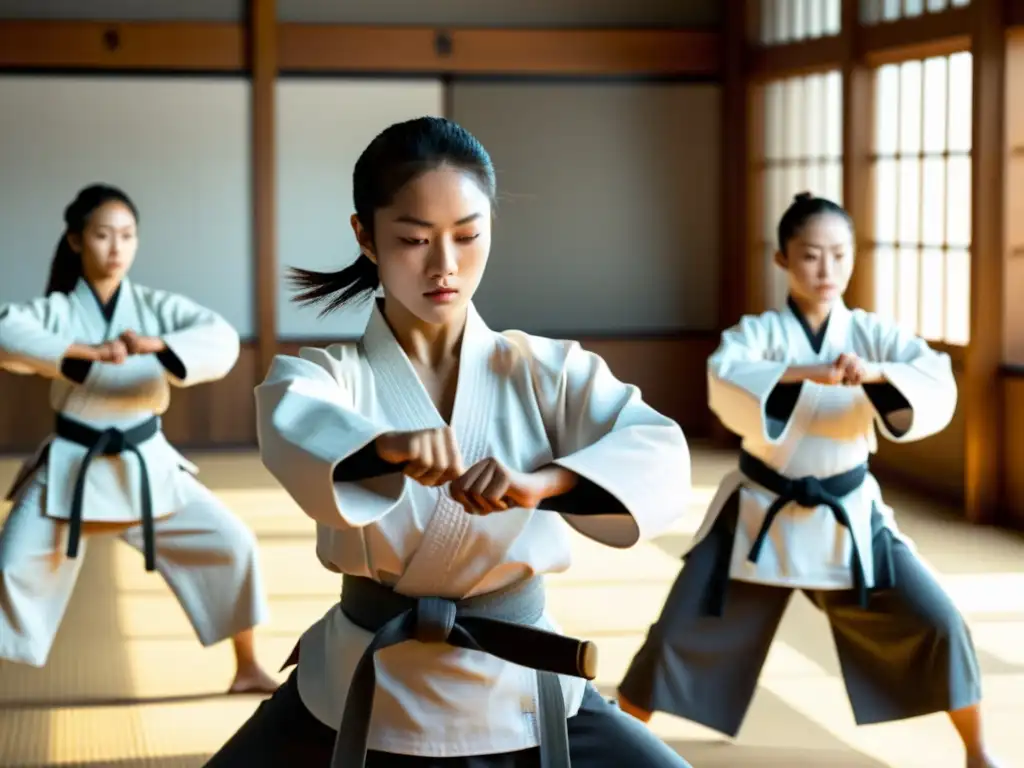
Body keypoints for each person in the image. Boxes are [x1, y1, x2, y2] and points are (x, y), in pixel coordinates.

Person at [203, 116, 694, 768]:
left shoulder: (548, 369)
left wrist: (545, 483)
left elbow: (657, 449)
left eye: (468, 236)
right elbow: (296, 427)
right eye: (413, 239)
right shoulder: (323, 377)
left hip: (518, 678)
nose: (445, 265)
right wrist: (384, 449)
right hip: (360, 678)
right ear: (366, 236)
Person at [616, 192, 1001, 768]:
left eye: (839, 255)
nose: (826, 270)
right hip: (758, 515)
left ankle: (978, 751)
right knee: (672, 638)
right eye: (811, 256)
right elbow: (726, 376)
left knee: (938, 622)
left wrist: (873, 374)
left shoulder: (871, 334)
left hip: (849, 517)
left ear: (854, 258)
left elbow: (932, 377)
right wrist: (806, 373)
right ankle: (613, 750)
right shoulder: (760, 333)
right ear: (782, 260)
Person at [0, 183, 278, 695]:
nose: (116, 247)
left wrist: (159, 344)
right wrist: (81, 350)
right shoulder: (58, 311)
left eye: (127, 236)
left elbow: (217, 339)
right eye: (103, 235)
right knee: (11, 566)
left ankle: (248, 665)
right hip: (72, 464)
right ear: (76, 240)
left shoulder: (155, 307)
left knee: (234, 542)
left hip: (145, 463)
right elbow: (5, 332)